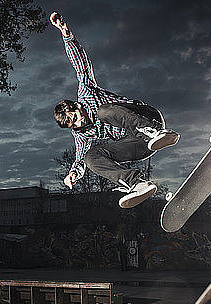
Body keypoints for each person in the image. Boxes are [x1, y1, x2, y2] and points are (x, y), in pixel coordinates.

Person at [50, 11, 180, 208]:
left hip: (147, 118)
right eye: (73, 125)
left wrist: (66, 34)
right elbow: (79, 160)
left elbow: (81, 66)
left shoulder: (86, 92)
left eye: (76, 117)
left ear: (76, 105)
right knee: (90, 157)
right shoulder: (81, 134)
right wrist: (73, 174)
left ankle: (154, 132)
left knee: (103, 112)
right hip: (140, 145)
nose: (79, 123)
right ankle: (136, 183)